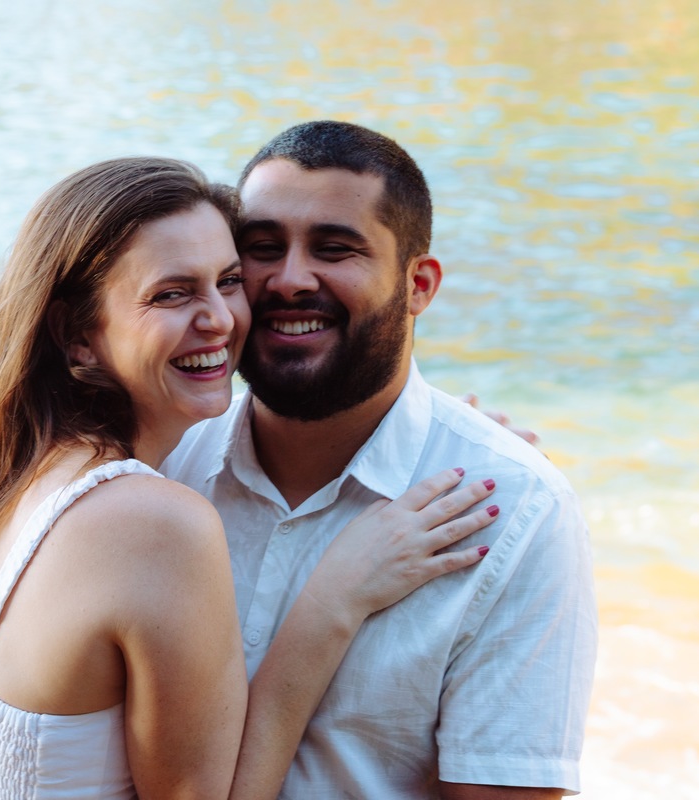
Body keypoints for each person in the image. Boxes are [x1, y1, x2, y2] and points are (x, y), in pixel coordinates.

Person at [0, 156, 503, 799]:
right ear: (77, 334)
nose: (221, 319)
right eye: (172, 294)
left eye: (229, 281)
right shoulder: (152, 522)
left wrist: (446, 437)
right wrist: (333, 600)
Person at [161, 120, 598, 798]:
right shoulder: (160, 464)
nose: (289, 280)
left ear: (418, 284)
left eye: (335, 249)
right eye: (262, 248)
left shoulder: (515, 510)